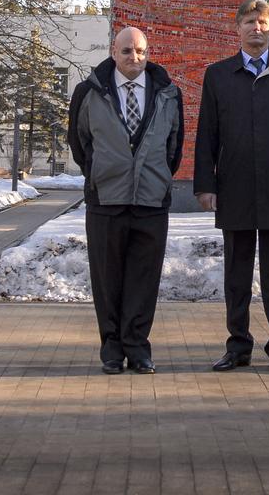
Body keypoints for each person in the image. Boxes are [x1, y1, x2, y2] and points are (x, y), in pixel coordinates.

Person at [193, 0, 269, 373]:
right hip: (235, 187)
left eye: (262, 22)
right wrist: (205, 184)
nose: (256, 28)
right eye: (249, 22)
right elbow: (207, 135)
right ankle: (238, 345)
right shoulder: (218, 75)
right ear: (238, 28)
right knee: (237, 275)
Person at [68, 26, 183, 375]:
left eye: (141, 51)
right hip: (106, 200)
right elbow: (80, 142)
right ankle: (112, 348)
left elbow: (173, 146)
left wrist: (158, 175)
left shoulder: (168, 92)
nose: (135, 57)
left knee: (144, 279)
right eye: (127, 51)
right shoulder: (89, 92)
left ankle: (138, 347)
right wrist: (102, 172)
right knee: (107, 278)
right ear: (112, 52)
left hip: (150, 200)